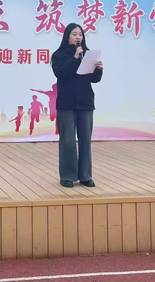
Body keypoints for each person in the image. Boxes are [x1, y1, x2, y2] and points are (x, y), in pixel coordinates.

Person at [51, 23, 103, 188]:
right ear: (67, 36)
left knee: (85, 140)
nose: (78, 37)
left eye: (80, 34)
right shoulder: (58, 55)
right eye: (74, 34)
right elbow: (60, 74)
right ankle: (67, 175)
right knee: (68, 141)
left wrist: (99, 70)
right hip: (66, 103)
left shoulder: (87, 54)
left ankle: (85, 175)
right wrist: (74, 58)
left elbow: (93, 79)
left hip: (85, 102)